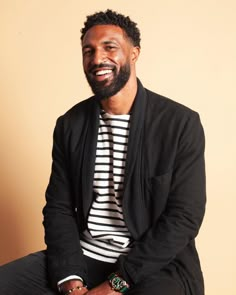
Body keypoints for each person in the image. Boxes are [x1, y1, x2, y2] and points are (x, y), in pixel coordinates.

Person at [0, 9, 206, 295]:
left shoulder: (180, 124)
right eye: (89, 50)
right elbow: (59, 207)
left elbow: (184, 218)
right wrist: (71, 281)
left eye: (110, 47)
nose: (97, 59)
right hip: (83, 257)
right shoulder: (69, 125)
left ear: (134, 53)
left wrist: (115, 285)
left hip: (152, 266)